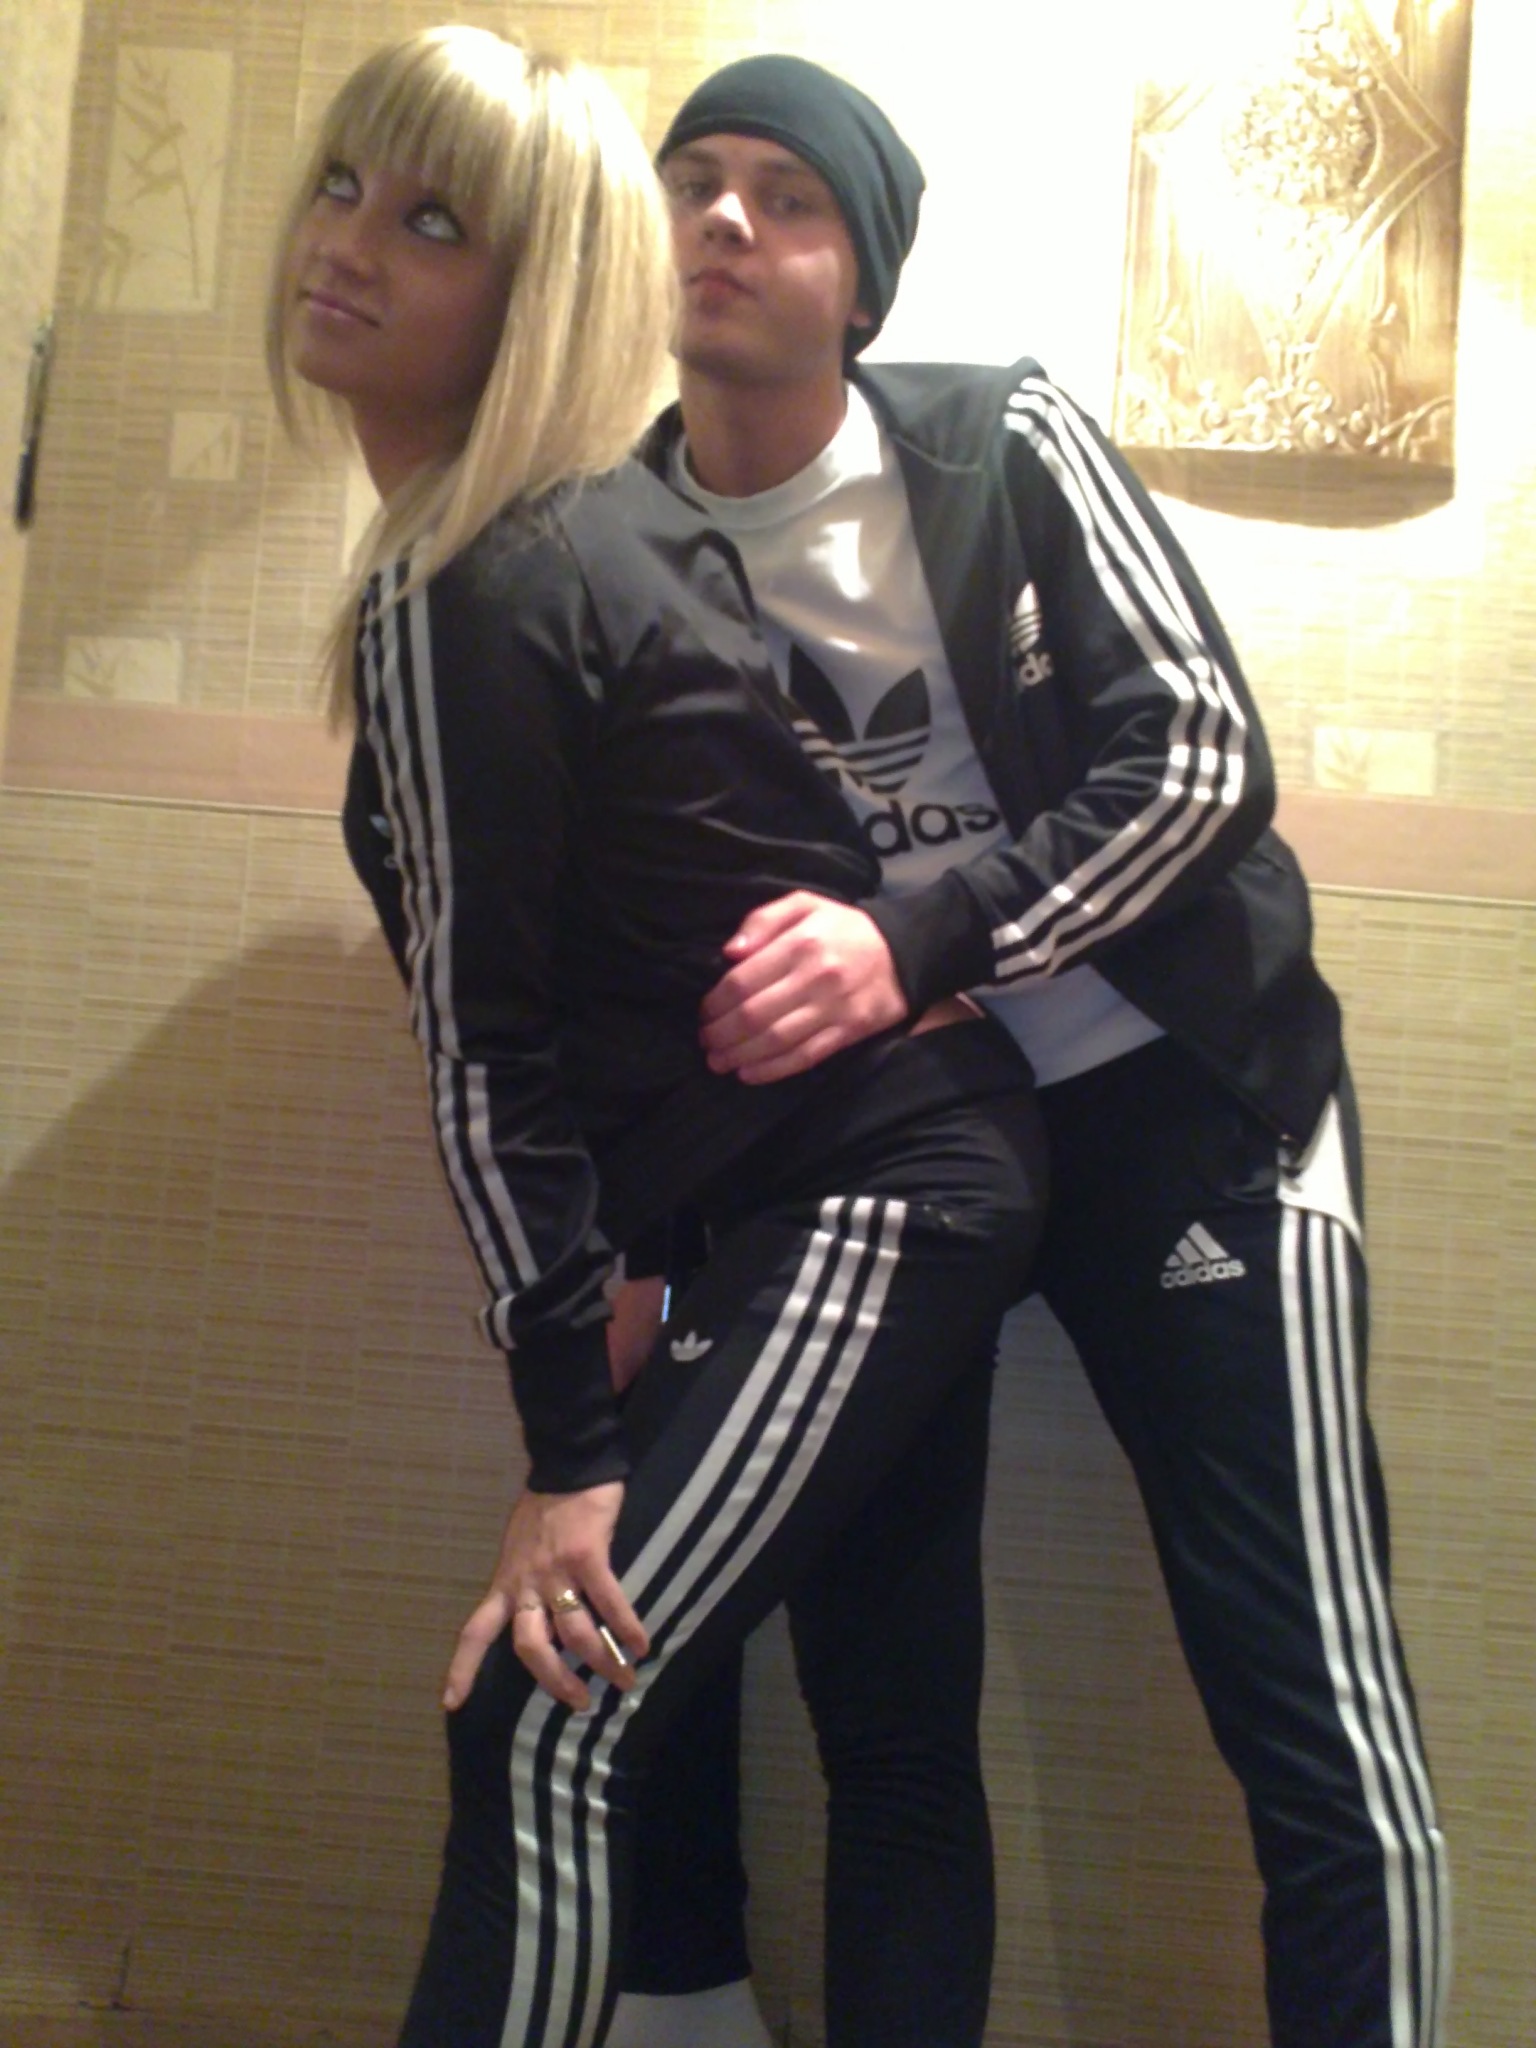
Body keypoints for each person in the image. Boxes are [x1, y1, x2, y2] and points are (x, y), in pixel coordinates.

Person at [616, 52, 1451, 2048]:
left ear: (865, 276)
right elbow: (628, 923)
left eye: (789, 195)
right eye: (695, 179)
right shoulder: (614, 547)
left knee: (1307, 1697)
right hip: (898, 1150)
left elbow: (1204, 759)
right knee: (882, 1699)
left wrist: (912, 935)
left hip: (1188, 1103)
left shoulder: (1000, 437)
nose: (727, 218)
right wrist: (638, 1224)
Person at [266, 27, 1046, 2048]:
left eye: (435, 221)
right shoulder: (570, 544)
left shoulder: (482, 581)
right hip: (818, 1191)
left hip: (878, 1190)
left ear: (537, 289)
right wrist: (616, 1264)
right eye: (342, 184)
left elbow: (487, 1048)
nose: (346, 243)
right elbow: (643, 945)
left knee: (550, 1715)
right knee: (837, 1720)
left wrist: (566, 1447)